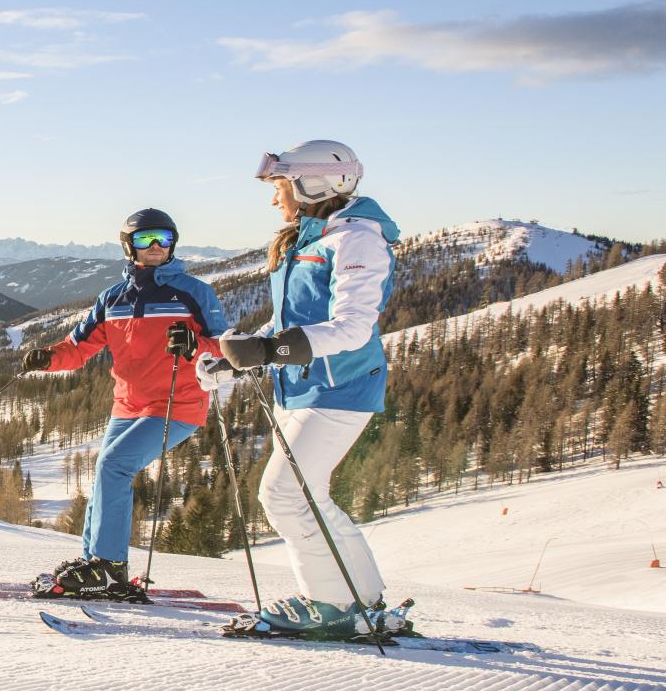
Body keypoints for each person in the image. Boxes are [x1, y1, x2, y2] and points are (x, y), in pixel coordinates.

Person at [203, 139, 401, 638]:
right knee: (310, 496)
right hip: (302, 388)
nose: (275, 199)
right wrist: (237, 358)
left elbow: (354, 327)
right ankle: (363, 599)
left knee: (284, 495)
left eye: (280, 187)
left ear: (314, 184)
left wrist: (272, 353)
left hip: (341, 386)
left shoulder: (356, 240)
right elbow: (291, 322)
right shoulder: (309, 239)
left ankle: (330, 606)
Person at [20, 208, 232, 599]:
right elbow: (79, 347)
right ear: (127, 246)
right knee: (106, 475)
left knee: (114, 465)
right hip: (128, 406)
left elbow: (225, 346)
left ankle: (109, 568)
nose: (154, 248)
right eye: (144, 240)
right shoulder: (112, 299)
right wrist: (48, 357)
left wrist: (195, 345)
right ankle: (93, 561)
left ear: (173, 245)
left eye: (163, 240)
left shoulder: (193, 293)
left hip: (176, 404)